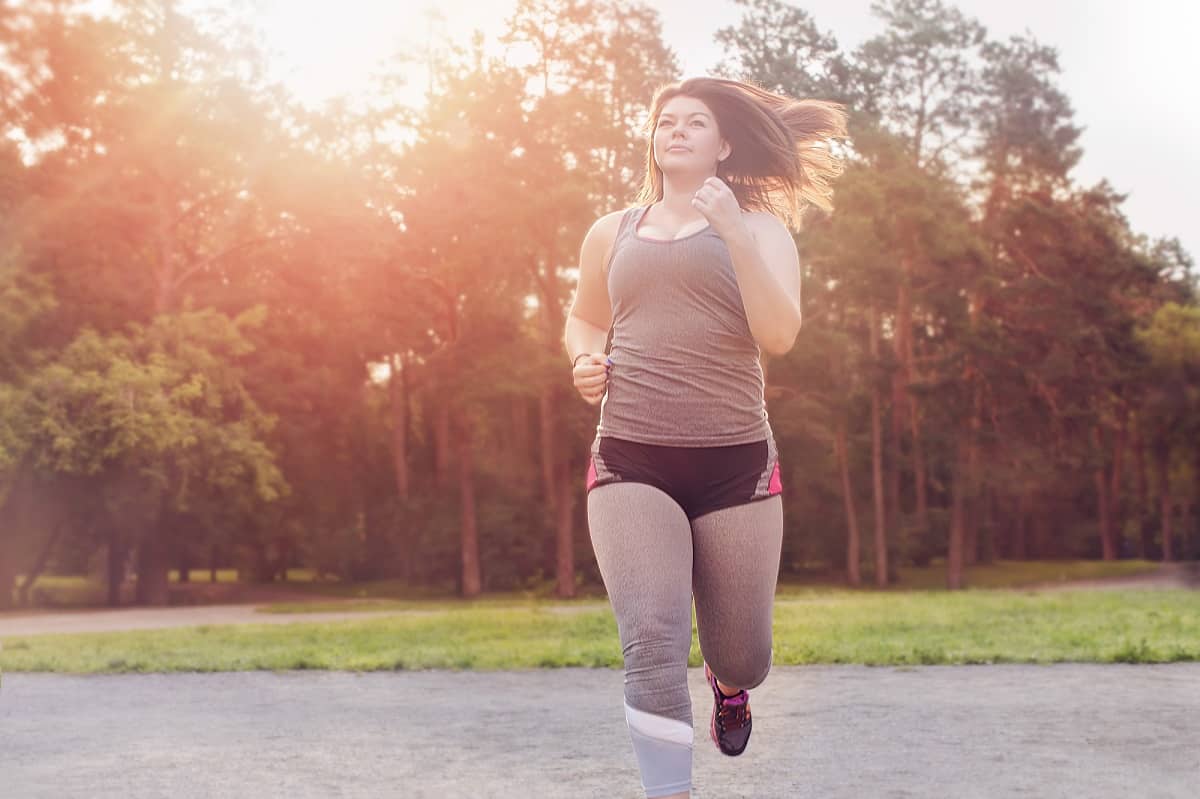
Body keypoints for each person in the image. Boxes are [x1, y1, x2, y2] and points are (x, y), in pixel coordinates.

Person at [563, 76, 847, 799]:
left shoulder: (761, 230)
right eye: (665, 120)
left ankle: (731, 684)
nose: (676, 130)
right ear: (653, 139)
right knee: (652, 640)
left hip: (735, 466)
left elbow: (778, 336)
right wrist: (584, 359)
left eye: (695, 122)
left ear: (724, 146)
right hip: (630, 458)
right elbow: (585, 317)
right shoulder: (612, 231)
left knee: (744, 650)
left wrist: (730, 230)